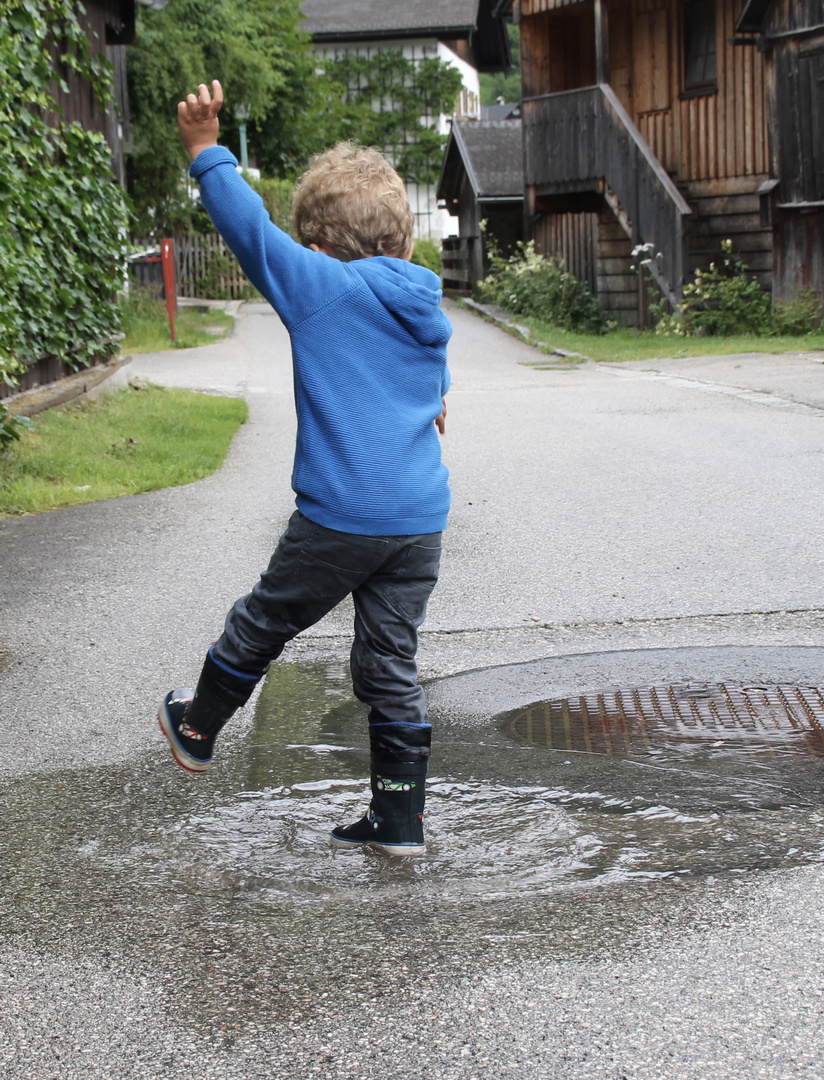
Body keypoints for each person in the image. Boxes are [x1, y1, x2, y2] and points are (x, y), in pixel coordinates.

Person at [158, 81, 451, 858]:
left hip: (342, 515)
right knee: (389, 662)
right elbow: (431, 385)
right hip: (418, 520)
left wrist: (204, 149)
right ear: (407, 244)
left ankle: (197, 726)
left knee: (264, 621)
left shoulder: (321, 286)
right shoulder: (425, 296)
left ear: (316, 253)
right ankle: (398, 820)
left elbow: (249, 232)